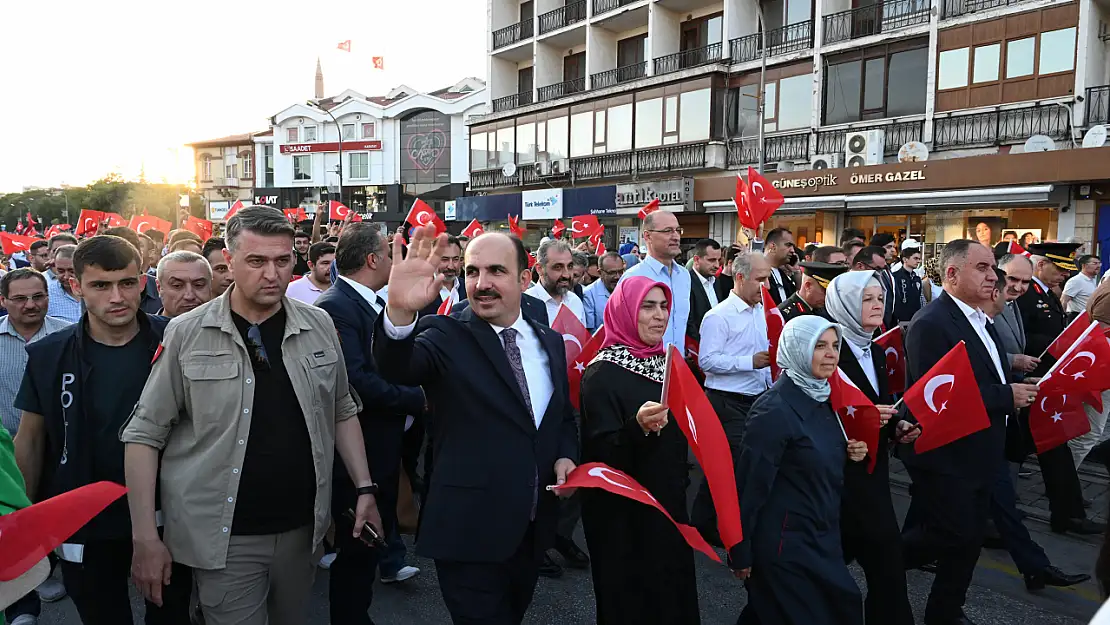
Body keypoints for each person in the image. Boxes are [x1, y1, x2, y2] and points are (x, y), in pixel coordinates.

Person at [121, 207, 381, 625]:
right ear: (230, 260)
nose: (272, 274)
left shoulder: (319, 325)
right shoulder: (187, 332)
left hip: (302, 530)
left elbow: (342, 410)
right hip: (223, 537)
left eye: (282, 261)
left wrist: (365, 488)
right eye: (257, 261)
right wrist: (145, 538)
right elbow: (144, 434)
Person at [373, 228, 578, 625]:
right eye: (472, 272)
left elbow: (561, 416)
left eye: (496, 271)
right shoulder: (445, 335)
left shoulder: (549, 341)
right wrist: (398, 314)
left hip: (531, 528)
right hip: (468, 532)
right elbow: (397, 368)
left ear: (524, 278)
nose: (481, 284)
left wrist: (566, 455)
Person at [13, 236, 193, 625]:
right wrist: (27, 522)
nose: (117, 297)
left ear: (142, 282)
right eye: (100, 285)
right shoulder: (49, 354)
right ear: (76, 286)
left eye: (127, 283)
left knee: (172, 615)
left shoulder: (177, 340)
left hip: (170, 511)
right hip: (83, 520)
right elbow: (29, 440)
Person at [901, 239, 1040, 625]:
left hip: (984, 449)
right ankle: (884, 558)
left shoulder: (981, 318)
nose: (992, 276)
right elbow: (940, 398)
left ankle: (946, 611)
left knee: (970, 539)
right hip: (949, 454)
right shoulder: (931, 324)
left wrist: (1018, 384)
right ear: (951, 273)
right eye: (982, 268)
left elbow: (990, 373)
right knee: (950, 534)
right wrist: (1005, 396)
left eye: (992, 267)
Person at [315, 223, 425, 624]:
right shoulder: (336, 306)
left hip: (381, 445)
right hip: (356, 452)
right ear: (374, 259)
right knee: (355, 549)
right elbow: (356, 381)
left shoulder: (371, 302)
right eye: (389, 251)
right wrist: (419, 399)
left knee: (367, 546)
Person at [730, 315, 867, 625]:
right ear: (797, 349)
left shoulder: (823, 397)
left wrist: (850, 453)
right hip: (786, 546)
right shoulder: (773, 409)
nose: (831, 354)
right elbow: (750, 485)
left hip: (822, 537)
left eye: (835, 345)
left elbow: (813, 457)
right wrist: (740, 550)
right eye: (819, 346)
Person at [579, 277, 699, 624]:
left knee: (672, 595)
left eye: (663, 306)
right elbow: (599, 457)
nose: (659, 315)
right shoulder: (601, 373)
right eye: (648, 306)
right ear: (625, 311)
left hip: (668, 502)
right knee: (633, 602)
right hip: (623, 516)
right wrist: (638, 427)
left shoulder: (665, 363)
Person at [979, 267, 1090, 593]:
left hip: (1002, 413)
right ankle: (901, 555)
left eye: (1024, 283)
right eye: (1010, 282)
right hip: (976, 428)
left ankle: (1035, 567)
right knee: (938, 512)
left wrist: (1017, 377)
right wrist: (1011, 379)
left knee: (1003, 502)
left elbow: (999, 357)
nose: (1015, 289)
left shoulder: (1006, 310)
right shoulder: (950, 320)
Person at [824, 271, 918, 625]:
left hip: (870, 476)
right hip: (835, 477)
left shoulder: (877, 350)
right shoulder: (827, 348)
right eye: (867, 299)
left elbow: (879, 404)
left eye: (880, 297)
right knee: (818, 569)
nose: (877, 305)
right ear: (845, 304)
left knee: (887, 567)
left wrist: (897, 426)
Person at [1016, 242, 1102, 534]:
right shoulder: (1027, 294)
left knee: (1052, 447)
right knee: (1017, 450)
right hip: (1030, 382)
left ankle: (1067, 514)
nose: (1064, 276)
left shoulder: (1043, 293)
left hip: (1044, 385)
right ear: (1042, 265)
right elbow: (1022, 338)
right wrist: (1058, 346)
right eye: (1059, 268)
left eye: (1067, 269)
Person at [0, 269, 70, 625]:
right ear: (3, 301)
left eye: (38, 296)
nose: (31, 305)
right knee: (15, 522)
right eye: (20, 299)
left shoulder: (69, 335)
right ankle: (23, 599)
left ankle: (56, 566)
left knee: (55, 513)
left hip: (60, 448)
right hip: (6, 456)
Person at [692, 252, 772, 543]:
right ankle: (708, 523)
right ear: (740, 277)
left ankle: (713, 519)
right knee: (729, 465)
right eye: (760, 280)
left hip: (757, 399)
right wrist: (749, 362)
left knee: (742, 465)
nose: (766, 287)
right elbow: (707, 361)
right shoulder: (718, 316)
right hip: (727, 401)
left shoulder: (761, 312)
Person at [621, 211, 690, 351]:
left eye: (678, 230)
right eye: (668, 231)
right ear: (647, 236)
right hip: (645, 364)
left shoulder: (684, 275)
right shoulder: (633, 277)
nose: (676, 236)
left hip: (677, 365)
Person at [527, 239, 586, 325]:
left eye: (570, 266)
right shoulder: (524, 304)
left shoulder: (575, 301)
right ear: (539, 269)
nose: (566, 275)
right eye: (558, 267)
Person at [778, 262, 847, 323]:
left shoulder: (825, 309)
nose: (829, 296)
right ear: (808, 286)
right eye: (825, 291)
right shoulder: (785, 314)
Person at [419, 235, 467, 318]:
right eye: (444, 259)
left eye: (455, 259)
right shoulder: (420, 290)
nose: (451, 266)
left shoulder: (468, 287)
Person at [155, 251, 213, 318]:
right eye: (177, 286)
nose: (189, 296)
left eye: (198, 285)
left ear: (210, 286)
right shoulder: (145, 328)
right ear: (159, 288)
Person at [687, 239, 723, 343]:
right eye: (711, 260)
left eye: (718, 260)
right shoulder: (686, 283)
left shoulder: (716, 282)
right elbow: (689, 322)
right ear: (697, 260)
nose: (717, 265)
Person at [582, 252, 624, 333]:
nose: (617, 277)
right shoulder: (588, 294)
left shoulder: (627, 289)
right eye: (611, 273)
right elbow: (591, 332)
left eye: (620, 272)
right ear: (600, 273)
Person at [45, 245, 82, 324]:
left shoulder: (96, 291)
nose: (66, 277)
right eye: (60, 271)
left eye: (72, 271)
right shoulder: (47, 294)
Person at [892, 245, 926, 324]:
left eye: (919, 259)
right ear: (905, 259)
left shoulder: (917, 279)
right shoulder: (895, 277)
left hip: (916, 320)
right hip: (900, 321)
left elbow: (921, 299)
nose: (918, 261)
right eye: (915, 258)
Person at [763, 227, 796, 306]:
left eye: (793, 247)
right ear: (773, 247)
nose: (792, 251)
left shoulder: (784, 276)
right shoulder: (759, 273)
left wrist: (796, 272)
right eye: (788, 245)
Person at [1061, 254, 1101, 320]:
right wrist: (1062, 320)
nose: (1098, 266)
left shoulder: (1093, 280)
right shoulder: (1076, 281)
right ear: (1084, 265)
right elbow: (1063, 301)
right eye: (1095, 263)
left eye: (1099, 263)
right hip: (1078, 317)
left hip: (1091, 317)